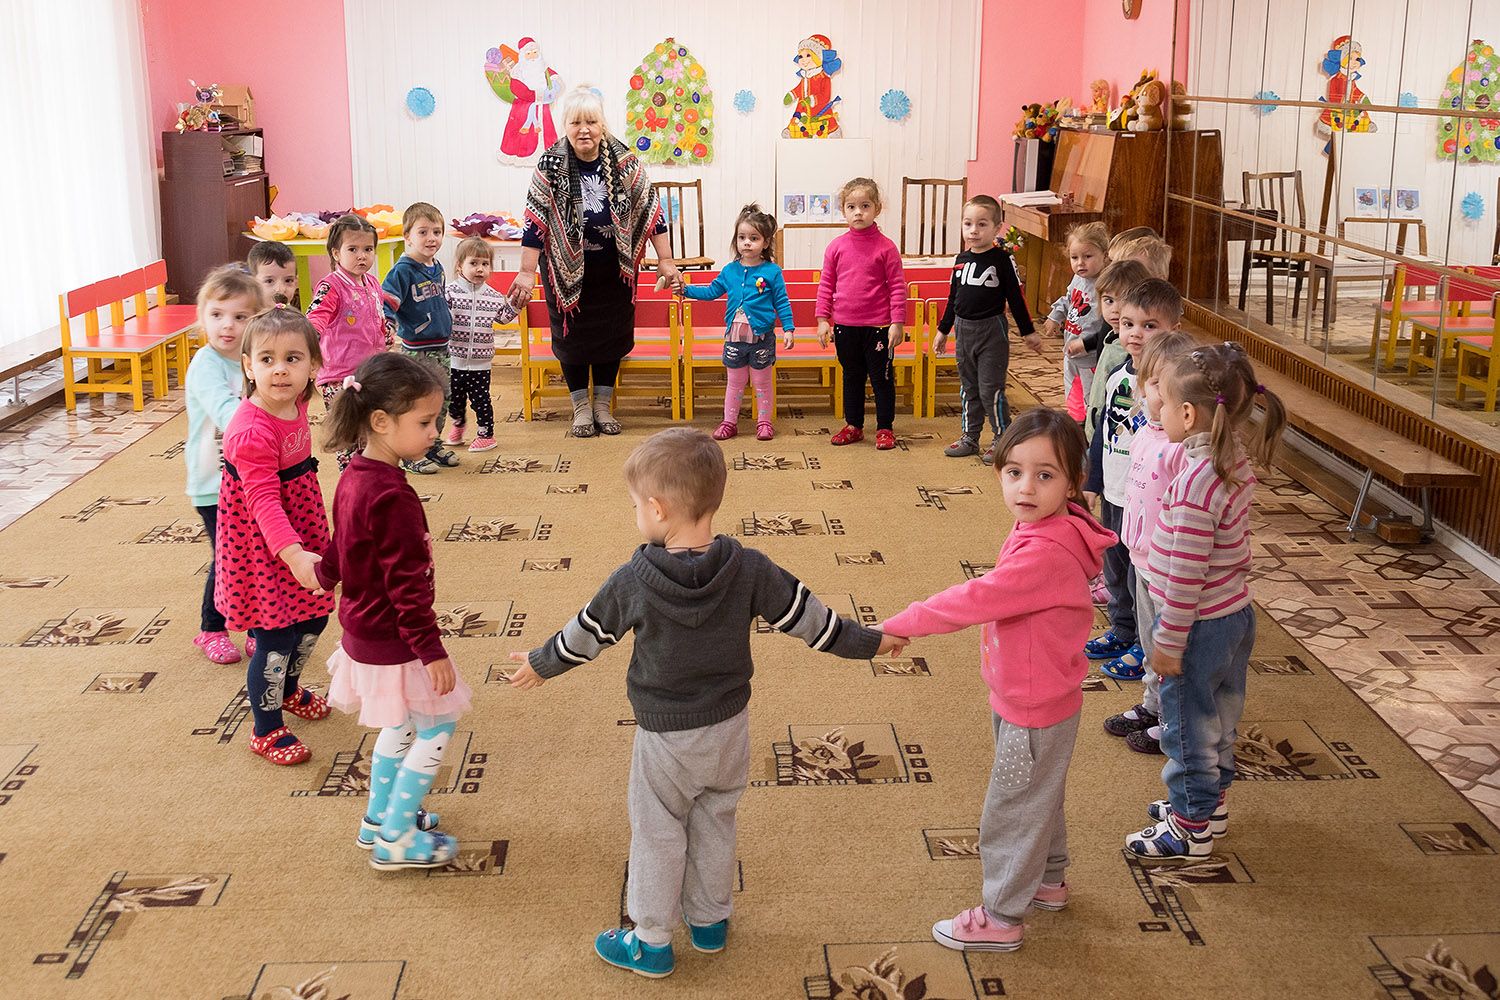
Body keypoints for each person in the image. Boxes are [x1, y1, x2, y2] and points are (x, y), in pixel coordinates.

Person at [507, 428, 907, 979]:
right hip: (730, 728)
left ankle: (649, 940)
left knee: (657, 831)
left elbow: (587, 634)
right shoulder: (751, 567)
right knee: (717, 819)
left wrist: (539, 663)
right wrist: (872, 642)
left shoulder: (634, 579)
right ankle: (710, 922)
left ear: (657, 507)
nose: (634, 516)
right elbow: (813, 622)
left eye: (633, 506)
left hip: (665, 736)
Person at [880, 408, 1114, 953]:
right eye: (1013, 472)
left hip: (1032, 703)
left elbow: (975, 598)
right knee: (1039, 795)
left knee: (1012, 806)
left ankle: (1002, 916)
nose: (1025, 487)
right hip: (1032, 691)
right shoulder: (1047, 526)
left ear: (1074, 481)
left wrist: (896, 623)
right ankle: (1049, 881)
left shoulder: (1046, 552)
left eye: (1045, 475)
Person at [1125, 343, 1286, 858]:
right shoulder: (1229, 457)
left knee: (1185, 726)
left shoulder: (1196, 483)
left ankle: (1190, 827)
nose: (1159, 414)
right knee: (1218, 716)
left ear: (1188, 413)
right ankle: (1206, 802)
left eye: (1165, 406)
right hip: (1233, 612)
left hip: (1195, 624)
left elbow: (1184, 577)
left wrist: (1167, 644)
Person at [318, 353, 473, 869]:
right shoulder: (393, 497)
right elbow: (409, 585)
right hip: (397, 638)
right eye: (425, 422)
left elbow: (342, 544)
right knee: (436, 725)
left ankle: (378, 817)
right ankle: (397, 838)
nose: (435, 431)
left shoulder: (355, 476)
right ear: (381, 422)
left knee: (402, 724)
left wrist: (324, 576)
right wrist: (431, 650)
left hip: (362, 630)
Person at [507, 86, 684, 438]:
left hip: (614, 271)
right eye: (576, 122)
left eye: (591, 121)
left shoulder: (625, 162)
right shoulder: (551, 163)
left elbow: (652, 210)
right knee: (573, 339)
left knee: (611, 337)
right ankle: (581, 407)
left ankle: (602, 405)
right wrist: (527, 272)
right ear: (565, 126)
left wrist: (666, 260)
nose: (584, 129)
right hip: (564, 271)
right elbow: (534, 220)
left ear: (603, 125)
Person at [214, 307, 336, 766]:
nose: (280, 369)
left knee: (316, 616)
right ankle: (266, 727)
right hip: (263, 545)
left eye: (293, 358)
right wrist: (294, 555)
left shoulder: (298, 402)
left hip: (300, 527)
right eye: (266, 360)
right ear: (248, 366)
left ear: (312, 368)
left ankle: (286, 688)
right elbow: (263, 502)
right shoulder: (250, 430)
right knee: (276, 634)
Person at [1104, 329, 1198, 753]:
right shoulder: (1146, 432)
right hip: (1141, 558)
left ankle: (1173, 719)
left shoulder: (1183, 449)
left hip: (1168, 568)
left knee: (1169, 645)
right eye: (1147, 380)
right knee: (1147, 639)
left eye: (1158, 384)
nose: (1147, 391)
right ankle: (1152, 703)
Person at [1083, 275, 1179, 684]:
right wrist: (1092, 480)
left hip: (1150, 499)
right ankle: (1123, 629)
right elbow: (1104, 429)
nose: (1136, 334)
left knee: (1145, 575)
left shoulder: (1170, 387)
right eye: (1127, 324)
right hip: (1116, 490)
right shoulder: (1117, 376)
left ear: (1173, 329)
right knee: (1116, 566)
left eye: (1149, 326)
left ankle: (1145, 641)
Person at [185, 265, 264, 665]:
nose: (227, 326)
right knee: (228, 557)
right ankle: (211, 628)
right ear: (203, 317)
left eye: (240, 316)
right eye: (217, 315)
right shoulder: (206, 364)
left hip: (252, 480)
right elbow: (226, 412)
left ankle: (254, 626)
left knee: (256, 554)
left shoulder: (252, 361)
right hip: (213, 482)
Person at [934, 194, 1039, 463]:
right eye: (968, 224)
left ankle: (1002, 438)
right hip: (963, 331)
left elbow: (1016, 297)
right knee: (969, 387)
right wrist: (943, 330)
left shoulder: (1002, 260)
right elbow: (952, 298)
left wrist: (1028, 332)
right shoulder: (960, 259)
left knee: (990, 388)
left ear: (997, 227)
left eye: (982, 224)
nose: (973, 230)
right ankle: (970, 436)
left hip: (992, 332)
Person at [679, 204, 794, 442]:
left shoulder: (772, 271)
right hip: (734, 338)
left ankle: (764, 422)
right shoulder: (730, 270)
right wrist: (685, 290)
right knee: (735, 383)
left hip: (761, 338)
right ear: (736, 240)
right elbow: (711, 291)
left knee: (762, 384)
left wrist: (789, 329)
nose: (747, 243)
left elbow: (782, 301)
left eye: (754, 238)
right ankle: (729, 423)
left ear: (765, 242)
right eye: (742, 237)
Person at [816, 177, 907, 450]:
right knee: (851, 377)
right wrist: (823, 320)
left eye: (865, 206)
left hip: (879, 327)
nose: (858, 212)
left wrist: (897, 323)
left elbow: (897, 288)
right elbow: (826, 285)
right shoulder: (836, 247)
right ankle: (853, 425)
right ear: (843, 211)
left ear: (877, 209)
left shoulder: (887, 247)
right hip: (845, 327)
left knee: (882, 379)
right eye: (851, 207)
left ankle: (885, 428)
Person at [308, 214, 392, 472]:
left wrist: (385, 331)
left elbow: (378, 315)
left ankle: (369, 479)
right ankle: (351, 483)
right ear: (336, 253)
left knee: (371, 432)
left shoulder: (372, 283)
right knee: (347, 435)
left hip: (370, 372)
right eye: (352, 249)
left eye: (368, 249)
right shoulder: (331, 286)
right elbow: (314, 320)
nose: (361, 256)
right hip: (338, 377)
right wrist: (305, 352)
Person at [383, 202, 460, 474]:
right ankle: (412, 453)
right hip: (417, 351)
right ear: (407, 236)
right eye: (423, 232)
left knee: (442, 399)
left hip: (441, 347)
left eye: (437, 232)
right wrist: (388, 325)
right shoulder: (402, 270)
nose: (431, 238)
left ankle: (432, 444)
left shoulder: (437, 267)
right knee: (417, 403)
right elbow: (388, 301)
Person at [1085, 234, 1173, 438]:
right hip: (1102, 423)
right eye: (1108, 300)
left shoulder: (1136, 346)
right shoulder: (1112, 333)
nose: (1116, 309)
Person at [443, 237, 518, 454]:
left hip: (481, 361)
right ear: (460, 266)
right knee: (453, 401)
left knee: (481, 400)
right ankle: (458, 424)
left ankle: (486, 434)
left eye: (485, 264)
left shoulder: (494, 297)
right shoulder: (450, 292)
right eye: (474, 263)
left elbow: (503, 318)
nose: (480, 269)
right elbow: (443, 319)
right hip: (454, 358)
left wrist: (516, 304)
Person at [1041, 222, 1109, 423]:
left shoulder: (1105, 284)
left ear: (1104, 256)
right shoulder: (1078, 279)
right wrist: (1055, 315)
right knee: (1072, 392)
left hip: (1091, 357)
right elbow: (1068, 299)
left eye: (1088, 257)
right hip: (1070, 352)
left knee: (1092, 397)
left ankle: (1090, 427)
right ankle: (1076, 423)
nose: (1080, 263)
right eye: (1074, 257)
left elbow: (1108, 324)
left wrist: (1086, 344)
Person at [248, 241, 299, 307]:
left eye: (288, 280)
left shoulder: (294, 316)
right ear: (252, 283)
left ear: (296, 283)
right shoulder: (244, 314)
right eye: (269, 281)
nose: (280, 290)